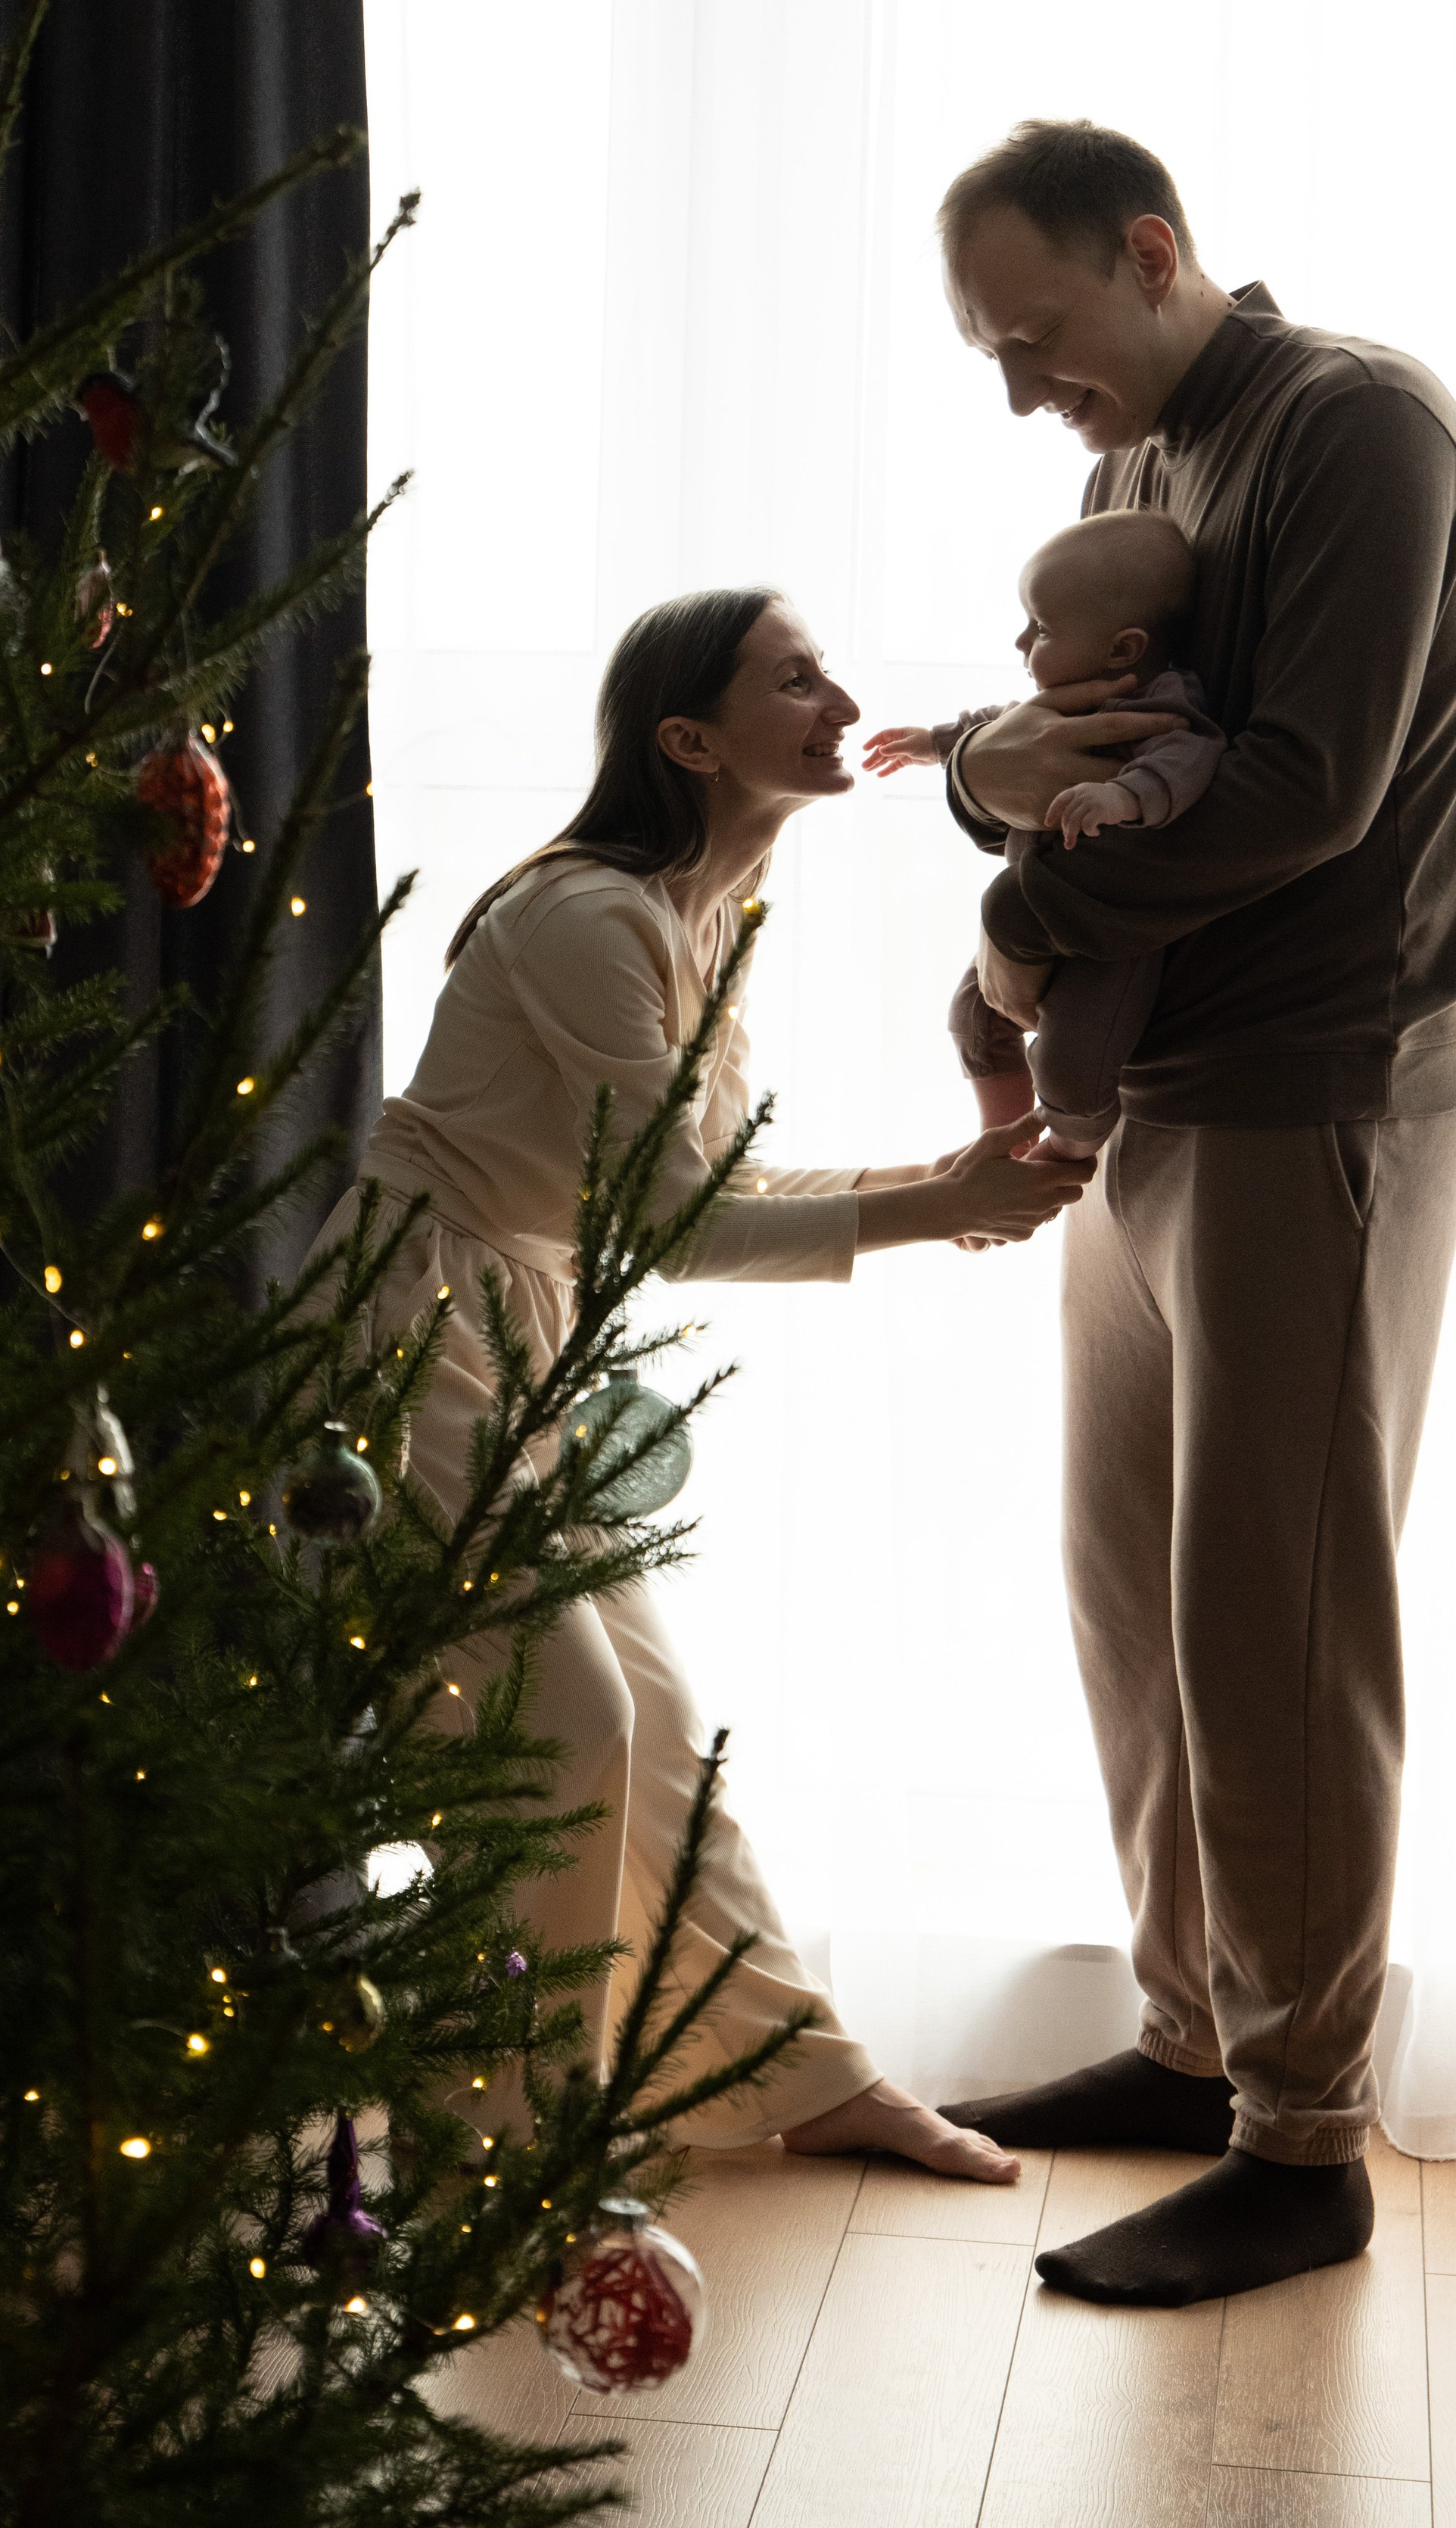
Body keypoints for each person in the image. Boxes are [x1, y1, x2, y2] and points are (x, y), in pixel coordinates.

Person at [922, 119, 1456, 2305]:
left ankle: (1307, 2136)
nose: (1020, 393)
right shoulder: (1133, 480)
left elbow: (1301, 788)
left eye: (1036, 338)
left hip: (1319, 1097)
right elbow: (1059, 735)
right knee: (1135, 1607)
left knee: (1281, 1625)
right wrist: (992, 779)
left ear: (1152, 252)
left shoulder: (1354, 431)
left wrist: (1008, 893)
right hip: (1148, 1101)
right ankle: (1196, 2040)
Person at [312, 587, 1087, 2181]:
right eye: (790, 678)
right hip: (407, 1323)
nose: (834, 696)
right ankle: (496, 2129)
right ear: (688, 738)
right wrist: (933, 1211)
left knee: (652, 1728)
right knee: (559, 1719)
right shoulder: (590, 916)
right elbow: (660, 1221)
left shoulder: (704, 916)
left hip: (511, 1318)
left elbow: (692, 1174)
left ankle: (810, 2081)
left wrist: (931, 1180)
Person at [863, 508, 1223, 1159]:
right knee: (971, 1017)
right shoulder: (1072, 694)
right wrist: (938, 743)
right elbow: (1002, 722)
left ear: (1125, 648)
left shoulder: (1163, 703)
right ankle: (999, 1138)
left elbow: (1191, 759)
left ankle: (1070, 1141)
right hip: (1037, 907)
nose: (1021, 643)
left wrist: (1122, 795)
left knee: (1072, 1063)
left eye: (1041, 629)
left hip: (1105, 934)